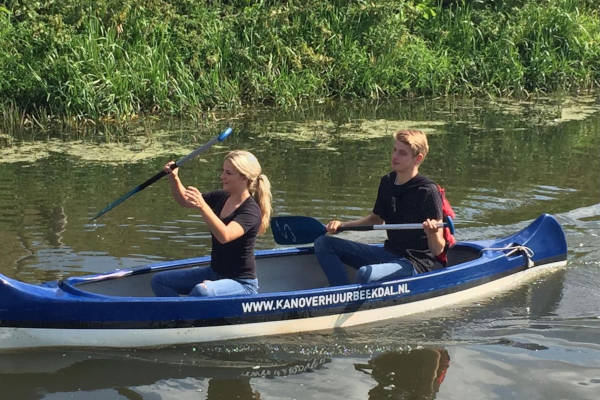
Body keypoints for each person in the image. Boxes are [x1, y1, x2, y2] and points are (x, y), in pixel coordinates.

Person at [314, 129, 447, 286]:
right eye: (395, 150)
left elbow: (438, 249)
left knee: (365, 274)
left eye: (402, 153)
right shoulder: (387, 182)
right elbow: (375, 220)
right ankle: (339, 293)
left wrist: (432, 233)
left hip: (414, 263)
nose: (395, 156)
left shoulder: (428, 191)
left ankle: (347, 301)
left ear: (418, 159)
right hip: (388, 253)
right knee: (324, 243)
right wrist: (342, 226)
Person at [151, 150, 272, 297]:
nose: (222, 177)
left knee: (202, 291)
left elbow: (225, 236)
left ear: (244, 177)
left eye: (228, 173)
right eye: (223, 171)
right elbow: (184, 200)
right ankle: (179, 317)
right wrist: (174, 178)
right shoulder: (221, 196)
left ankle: (187, 317)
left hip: (241, 283)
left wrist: (203, 206)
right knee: (159, 281)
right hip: (215, 272)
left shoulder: (250, 211)